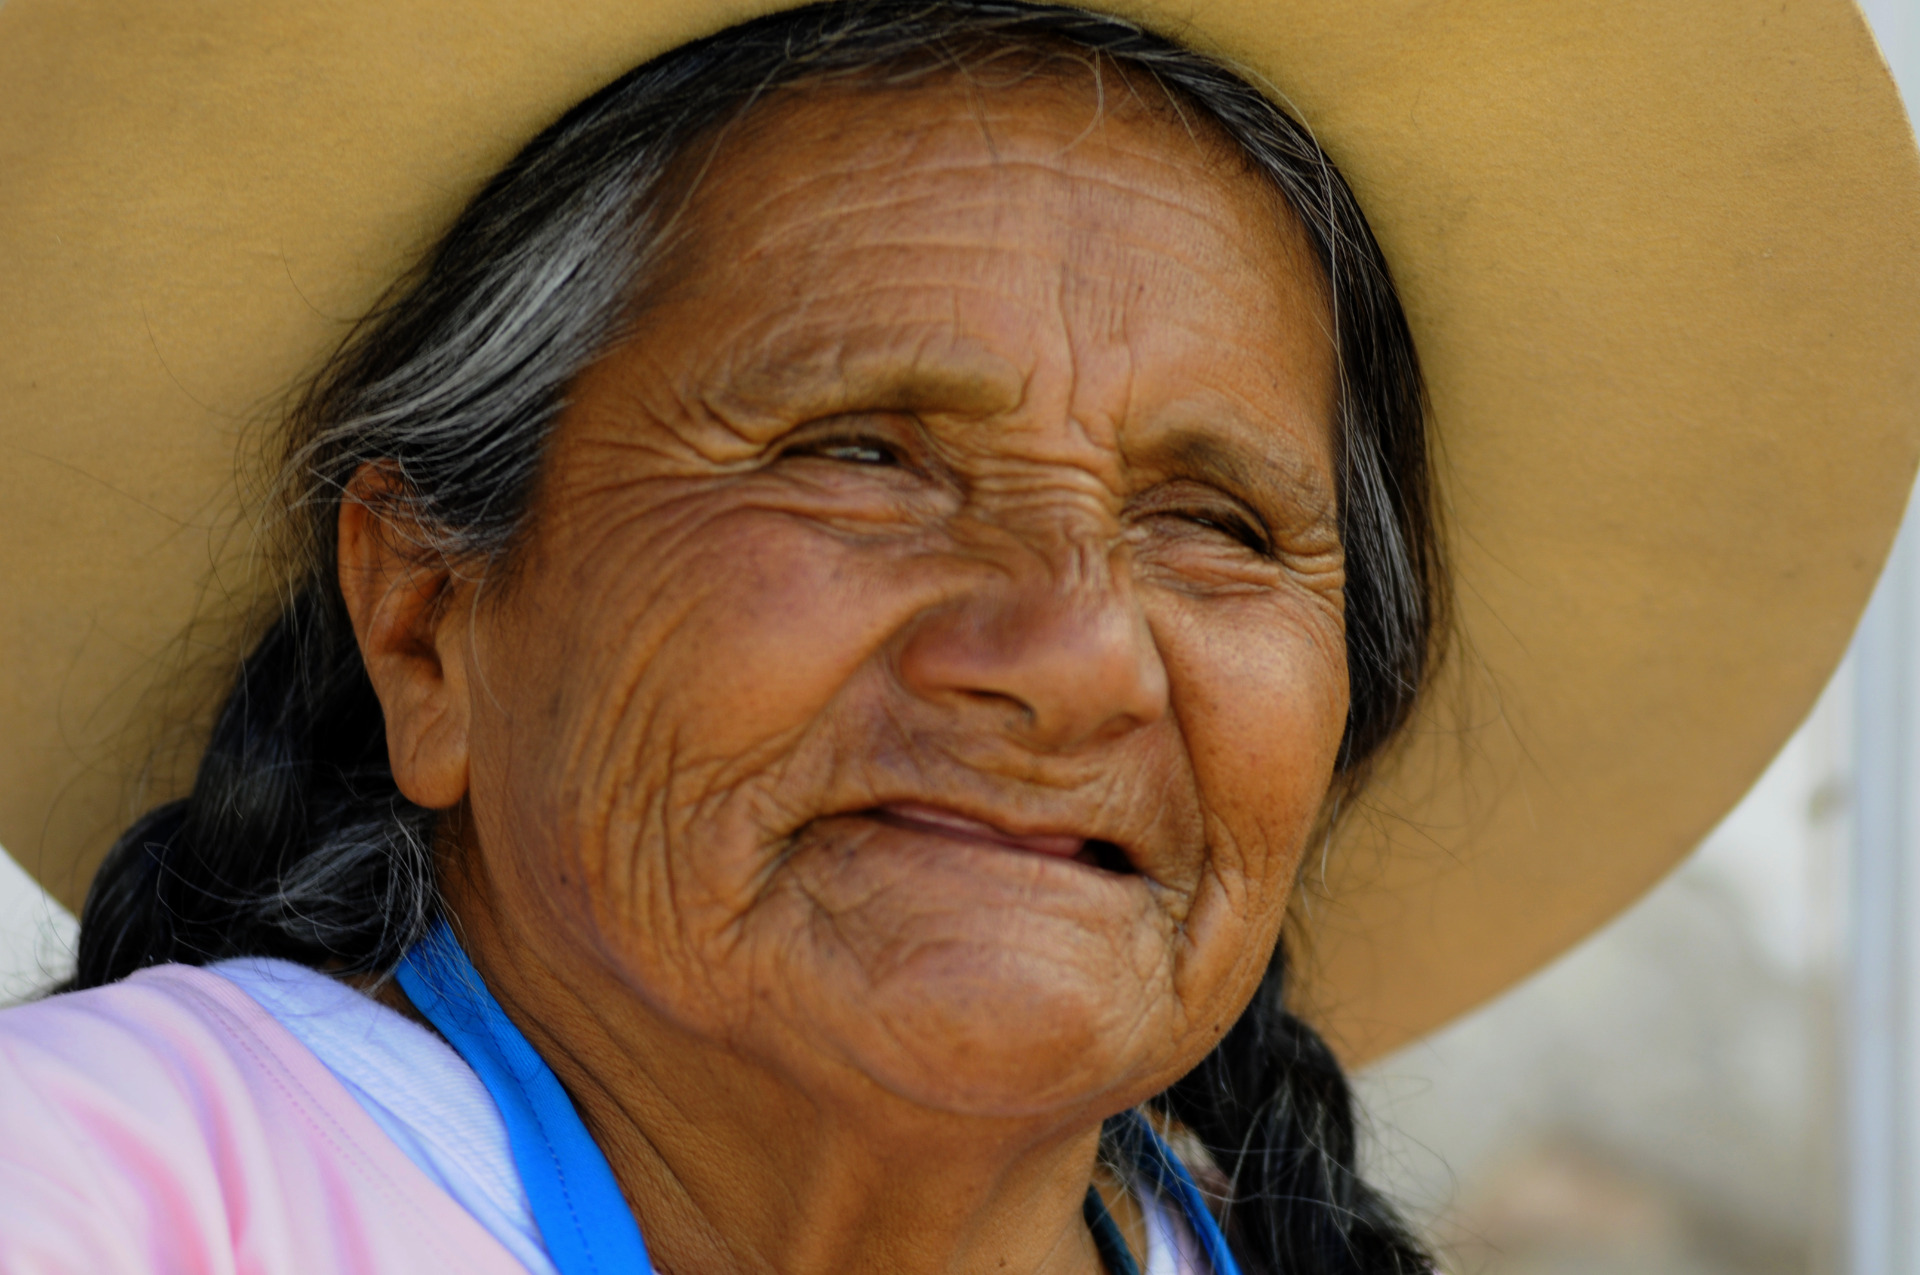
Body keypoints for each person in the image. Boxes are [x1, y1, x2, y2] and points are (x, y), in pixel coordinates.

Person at [1, 2, 1916, 1273]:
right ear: (426, 621)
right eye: (860, 454)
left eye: (1217, 523)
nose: (1074, 650)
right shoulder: (102, 1199)